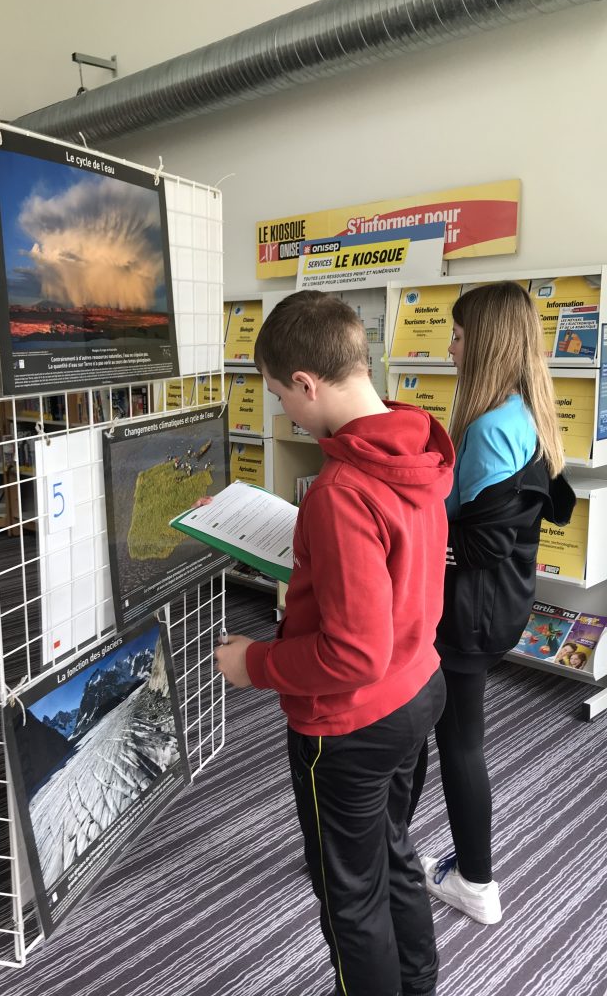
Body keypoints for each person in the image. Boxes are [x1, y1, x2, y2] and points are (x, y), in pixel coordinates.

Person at [214, 290, 454, 996]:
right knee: (393, 854)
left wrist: (254, 663)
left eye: (279, 395)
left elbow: (352, 654)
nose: (283, 411)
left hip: (351, 723)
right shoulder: (415, 447)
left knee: (349, 895)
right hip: (418, 687)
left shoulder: (342, 489)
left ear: (306, 383)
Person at [408, 281, 575, 926]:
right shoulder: (523, 413)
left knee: (457, 741)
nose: (449, 347)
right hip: (499, 603)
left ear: (486, 345)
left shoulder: (489, 429)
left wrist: (407, 537)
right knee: (452, 735)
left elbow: (479, 545)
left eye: (457, 336)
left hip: (471, 611)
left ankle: (475, 882)